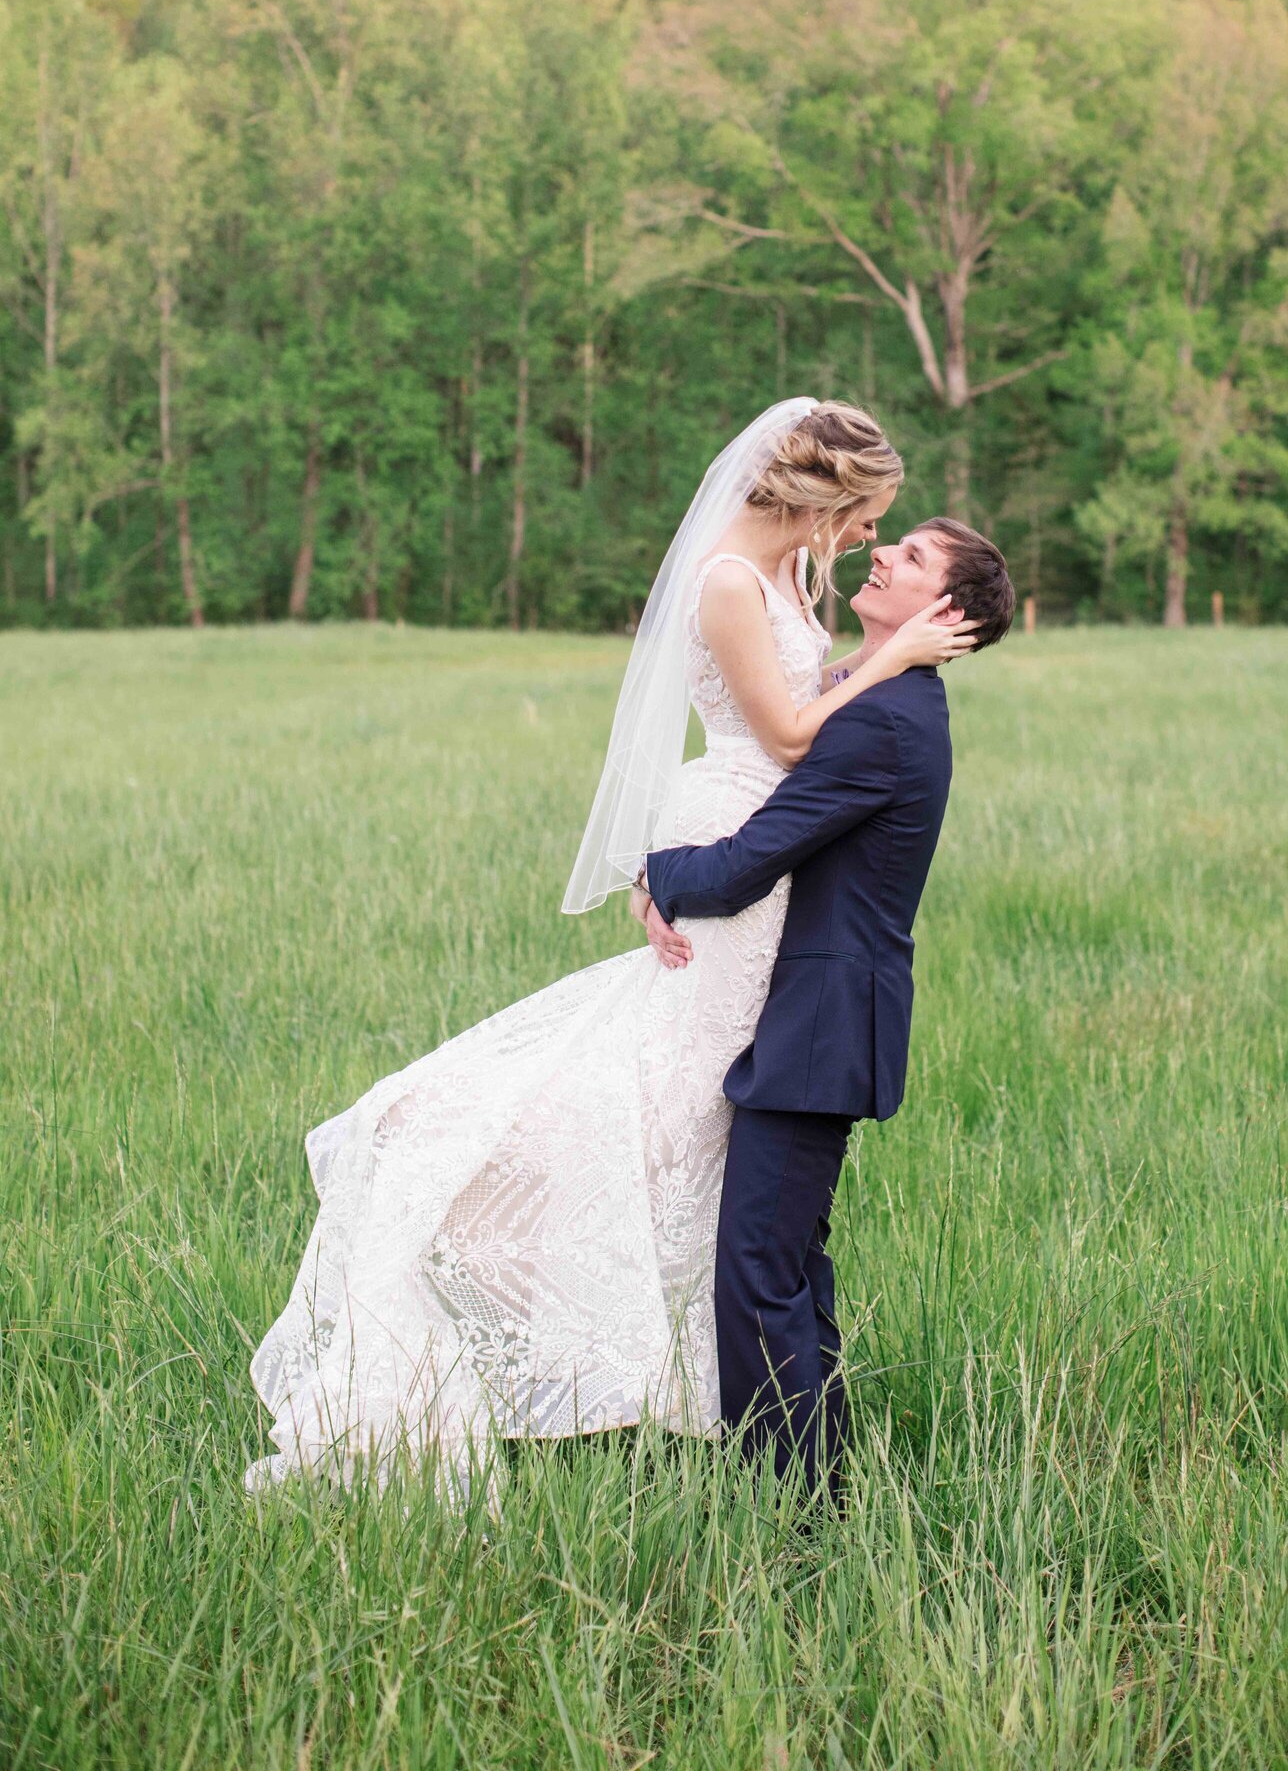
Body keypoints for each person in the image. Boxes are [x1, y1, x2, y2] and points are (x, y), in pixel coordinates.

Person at [245, 399, 975, 1498]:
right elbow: (780, 734)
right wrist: (674, 867)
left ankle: (759, 1428)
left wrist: (866, 675)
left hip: (756, 865)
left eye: (888, 532)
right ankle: (493, 1271)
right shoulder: (730, 579)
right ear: (825, 494)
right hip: (738, 841)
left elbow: (806, 715)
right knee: (661, 1105)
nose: (869, 537)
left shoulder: (792, 578)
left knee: (708, 1136)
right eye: (868, 515)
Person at [639, 516, 1015, 1498]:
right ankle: (822, 1483)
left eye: (912, 557)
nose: (883, 555)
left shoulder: (884, 724)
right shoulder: (888, 700)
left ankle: (791, 1508)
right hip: (822, 1019)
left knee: (759, 1275)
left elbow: (749, 863)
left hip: (820, 1024)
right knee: (790, 1266)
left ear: (942, 612)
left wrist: (650, 871)